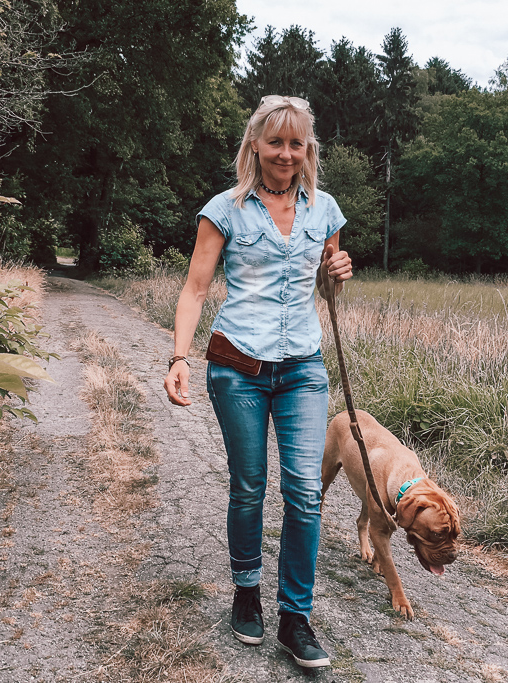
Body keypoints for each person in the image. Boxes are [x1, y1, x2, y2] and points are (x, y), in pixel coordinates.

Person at [163, 95, 352, 669]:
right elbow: (195, 289)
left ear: (308, 150)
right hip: (237, 366)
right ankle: (246, 592)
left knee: (302, 492)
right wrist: (178, 357)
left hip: (303, 368)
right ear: (255, 145)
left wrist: (336, 275)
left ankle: (296, 617)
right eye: (276, 142)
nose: (286, 153)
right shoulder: (224, 209)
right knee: (249, 485)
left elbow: (329, 294)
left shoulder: (326, 211)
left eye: (297, 144)